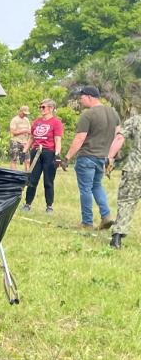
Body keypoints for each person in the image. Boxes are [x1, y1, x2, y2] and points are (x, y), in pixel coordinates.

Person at [63, 85, 121, 229]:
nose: (81, 101)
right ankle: (106, 215)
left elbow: (80, 138)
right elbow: (118, 135)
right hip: (102, 157)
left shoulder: (87, 115)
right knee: (97, 185)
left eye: (82, 98)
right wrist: (111, 156)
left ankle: (87, 222)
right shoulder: (113, 113)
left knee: (85, 189)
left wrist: (67, 157)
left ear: (89, 96)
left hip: (87, 157)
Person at [21, 99, 64, 212]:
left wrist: (57, 155)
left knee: (48, 181)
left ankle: (49, 206)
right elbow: (31, 138)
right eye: (40, 107)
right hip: (36, 152)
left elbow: (57, 140)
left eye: (43, 107)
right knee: (32, 179)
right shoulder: (36, 122)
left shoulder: (56, 122)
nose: (41, 109)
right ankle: (27, 204)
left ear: (51, 108)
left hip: (49, 152)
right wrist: (24, 151)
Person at [108, 111, 141, 249]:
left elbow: (120, 138)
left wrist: (110, 157)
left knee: (127, 202)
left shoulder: (136, 121)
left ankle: (117, 238)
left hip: (134, 168)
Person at [9, 105, 32, 170]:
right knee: (14, 159)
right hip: (15, 141)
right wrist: (24, 130)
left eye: (26, 114)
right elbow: (13, 132)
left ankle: (27, 176)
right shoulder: (14, 120)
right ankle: (13, 175)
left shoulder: (26, 120)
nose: (25, 115)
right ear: (20, 111)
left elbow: (29, 130)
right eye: (24, 113)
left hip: (25, 142)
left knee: (27, 160)